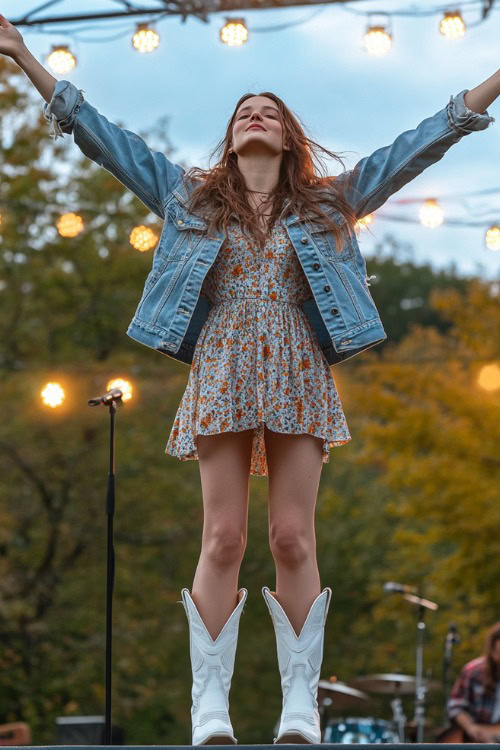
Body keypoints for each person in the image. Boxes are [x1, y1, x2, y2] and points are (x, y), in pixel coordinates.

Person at [2, 12, 498, 746]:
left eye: (268, 111)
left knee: (293, 537)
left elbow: (415, 146)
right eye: (243, 112)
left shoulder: (330, 202)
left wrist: (492, 85)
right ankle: (212, 707)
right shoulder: (188, 198)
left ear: (288, 136)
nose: (255, 116)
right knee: (224, 537)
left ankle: (301, 706)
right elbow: (103, 137)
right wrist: (22, 57)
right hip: (225, 368)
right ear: (232, 138)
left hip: (297, 368)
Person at [446, 622, 500, 743]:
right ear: (492, 648)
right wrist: (471, 728)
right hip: (474, 738)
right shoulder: (473, 671)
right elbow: (455, 706)